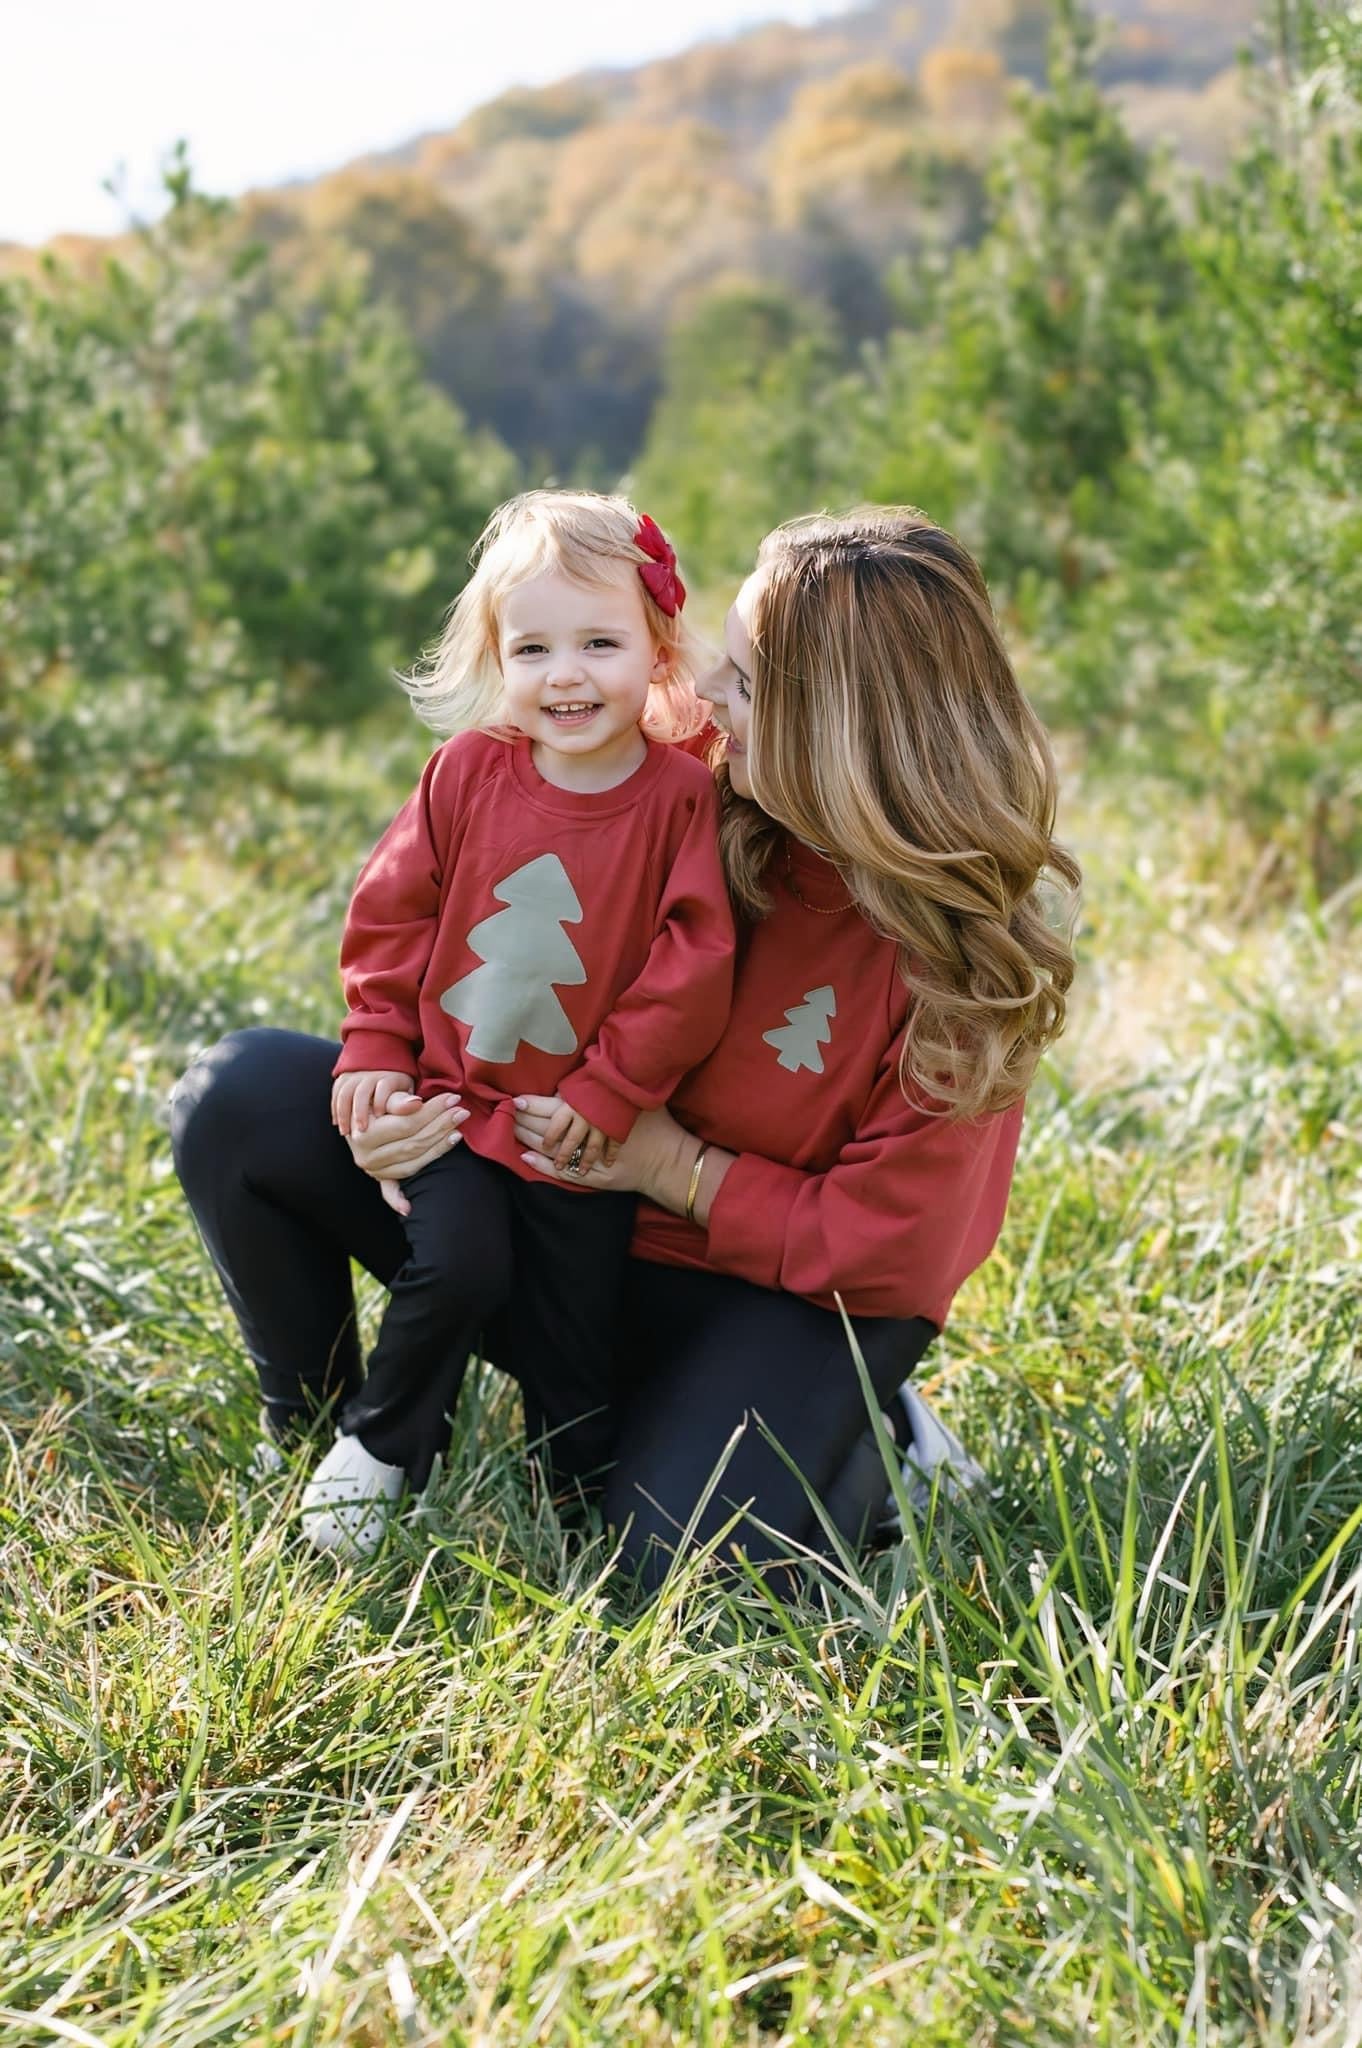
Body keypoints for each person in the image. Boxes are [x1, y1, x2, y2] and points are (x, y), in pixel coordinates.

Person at [172, 507, 1078, 1595]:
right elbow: (464, 906)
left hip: (784, 1293)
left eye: (739, 681)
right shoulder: (686, 783)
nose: (699, 698)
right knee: (242, 1100)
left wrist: (672, 1166)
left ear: (835, 724)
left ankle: (864, 1438)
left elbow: (892, 1248)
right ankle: (332, 1430)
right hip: (567, 1220)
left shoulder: (956, 965)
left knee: (674, 1566)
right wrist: (403, 1102)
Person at [254, 489, 734, 1556]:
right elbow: (391, 912)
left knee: (573, 1339)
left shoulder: (676, 800)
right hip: (454, 1102)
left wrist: (609, 1088)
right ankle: (380, 1448)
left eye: (600, 642)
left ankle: (573, 1514)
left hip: (578, 1131)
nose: (566, 675)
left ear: (656, 647)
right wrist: (375, 1047)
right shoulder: (467, 772)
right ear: (495, 656)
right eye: (535, 647)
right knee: (460, 1260)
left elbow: (690, 964)